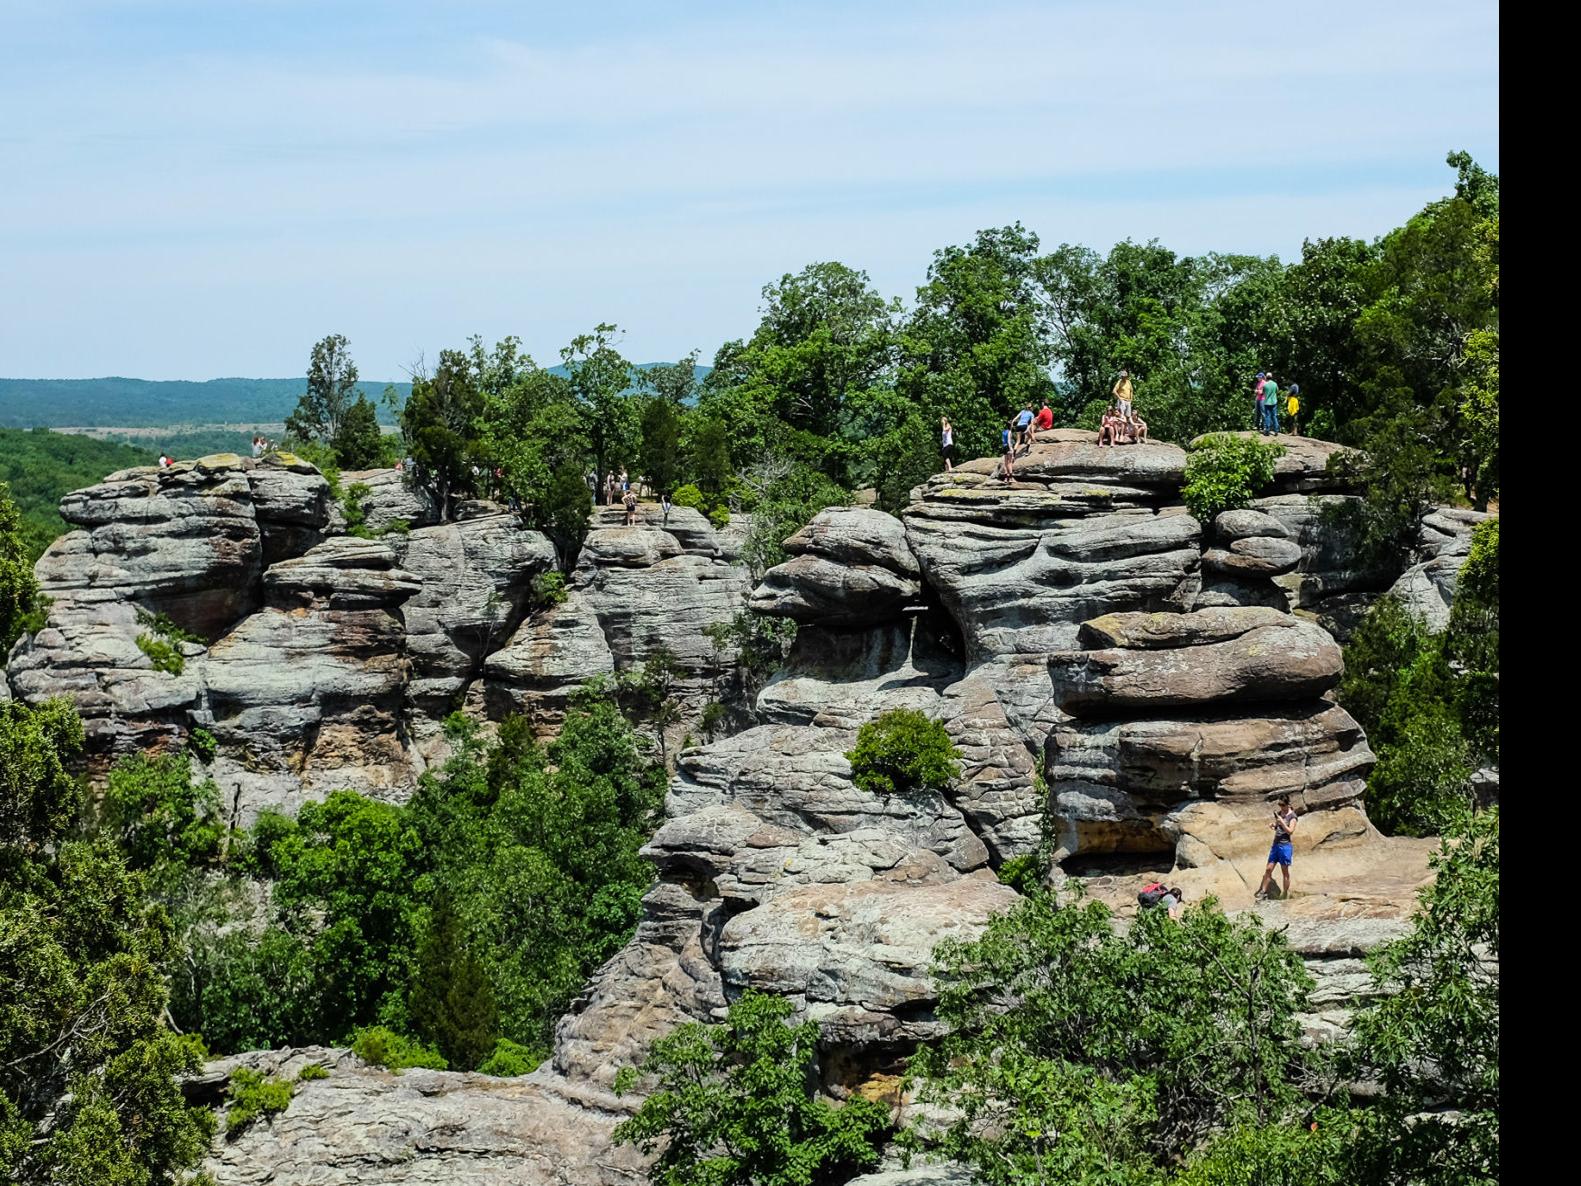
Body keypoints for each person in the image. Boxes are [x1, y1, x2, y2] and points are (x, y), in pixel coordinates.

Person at [1256, 798, 1299, 900]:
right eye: (1280, 805)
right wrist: (1274, 825)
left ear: (1288, 804)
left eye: (1283, 805)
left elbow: (1290, 831)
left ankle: (1285, 893)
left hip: (1285, 846)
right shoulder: (1280, 813)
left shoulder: (1292, 817)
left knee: (1284, 871)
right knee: (1268, 869)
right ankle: (1263, 892)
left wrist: (1282, 822)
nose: (1281, 807)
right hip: (1276, 845)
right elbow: (1278, 827)